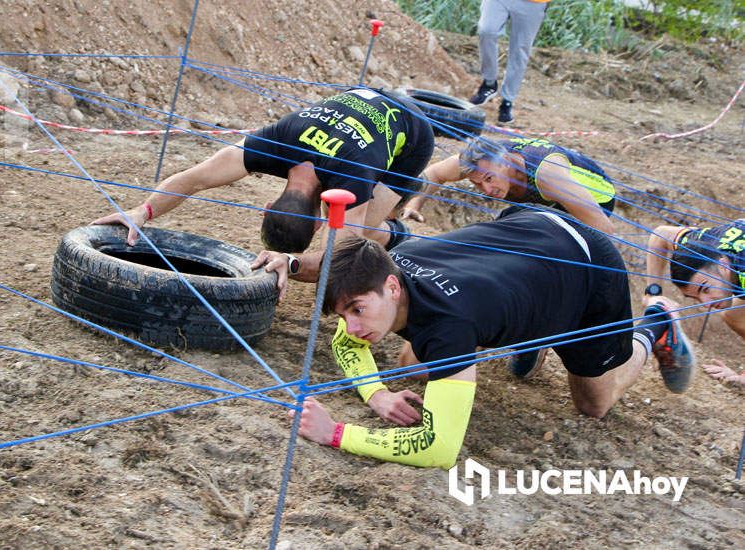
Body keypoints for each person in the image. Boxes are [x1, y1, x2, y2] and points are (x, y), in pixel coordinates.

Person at [294, 206, 695, 469]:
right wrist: (377, 395)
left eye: (357, 309)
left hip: (586, 265)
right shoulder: (381, 270)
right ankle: (530, 333)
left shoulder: (448, 324)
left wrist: (336, 433)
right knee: (410, 364)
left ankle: (655, 326)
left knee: (594, 403)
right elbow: (347, 342)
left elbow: (438, 449)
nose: (351, 327)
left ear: (393, 288)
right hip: (526, 232)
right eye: (342, 314)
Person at [92, 88, 434, 299]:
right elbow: (196, 178)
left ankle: (399, 236)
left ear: (267, 207)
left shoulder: (351, 177)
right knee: (353, 229)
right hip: (360, 101)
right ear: (267, 207)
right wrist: (142, 211)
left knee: (363, 237)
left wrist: (293, 263)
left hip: (413, 133)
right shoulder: (273, 143)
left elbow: (341, 259)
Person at [401, 136, 616, 235]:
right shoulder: (480, 162)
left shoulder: (548, 176)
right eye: (476, 184)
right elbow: (435, 173)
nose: (486, 190)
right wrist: (414, 204)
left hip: (597, 196)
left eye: (489, 179)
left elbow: (604, 228)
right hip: (545, 199)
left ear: (505, 162)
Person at [644, 220, 745, 338]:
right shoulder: (698, 243)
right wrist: (653, 293)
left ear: (723, 266)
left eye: (706, 289)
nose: (706, 304)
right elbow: (660, 235)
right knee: (733, 314)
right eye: (695, 298)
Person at [469, 0, 551, 124]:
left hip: (534, 3)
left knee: (520, 50)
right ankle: (489, 83)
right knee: (486, 30)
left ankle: (507, 100)